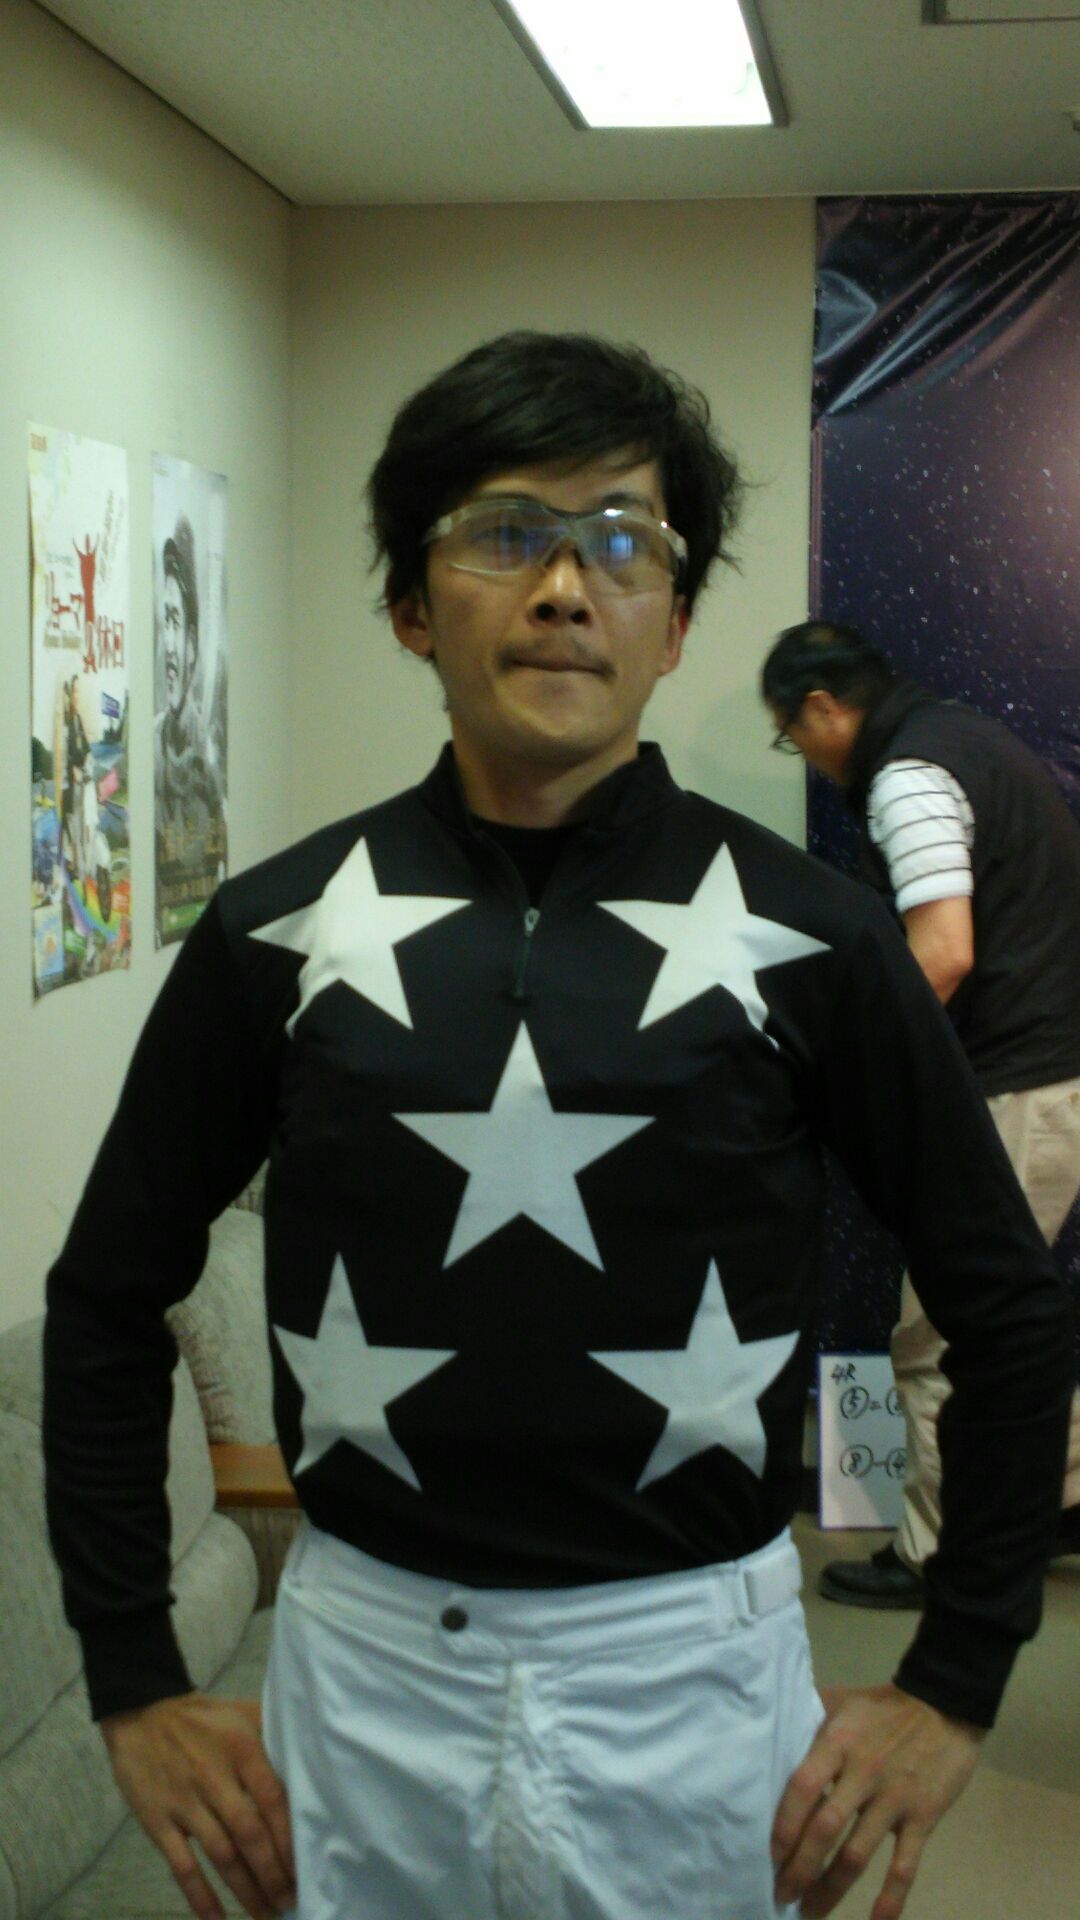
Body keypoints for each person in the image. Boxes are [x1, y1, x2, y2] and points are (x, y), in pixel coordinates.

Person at [44, 336, 1074, 1920]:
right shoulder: (271, 932)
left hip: (699, 1693)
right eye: (506, 532)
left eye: (623, 542)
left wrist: (955, 1680)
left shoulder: (820, 936)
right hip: (364, 1686)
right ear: (412, 604)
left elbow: (1008, 1305)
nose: (565, 588)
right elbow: (107, 1299)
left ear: (676, 623)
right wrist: (132, 1677)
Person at [761, 618, 1080, 1608]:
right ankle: (1065, 1495)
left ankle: (933, 1553)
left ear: (822, 709)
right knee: (1007, 1318)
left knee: (936, 1338)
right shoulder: (966, 738)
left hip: (1013, 1085)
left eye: (790, 735)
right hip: (1044, 1078)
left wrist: (846, 1073)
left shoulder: (908, 775)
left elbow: (941, 952)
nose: (804, 757)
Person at [155, 514, 226, 928]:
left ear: (193, 645)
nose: (168, 644)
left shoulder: (210, 762)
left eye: (176, 622)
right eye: (163, 620)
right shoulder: (151, 746)